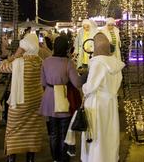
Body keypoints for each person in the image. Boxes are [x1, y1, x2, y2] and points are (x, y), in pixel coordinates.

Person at [0, 33, 45, 161]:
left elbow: (1, 67)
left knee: (13, 130)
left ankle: (12, 158)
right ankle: (30, 159)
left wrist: (14, 56)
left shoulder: (18, 62)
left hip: (20, 103)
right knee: (32, 131)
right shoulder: (40, 61)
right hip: (36, 101)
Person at [80, 33, 125, 162]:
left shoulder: (98, 63)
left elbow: (90, 86)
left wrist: (84, 87)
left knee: (97, 134)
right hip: (110, 102)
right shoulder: (115, 63)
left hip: (98, 103)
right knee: (109, 133)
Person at [40, 35, 81, 162]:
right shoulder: (68, 63)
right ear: (66, 48)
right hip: (64, 98)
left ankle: (55, 159)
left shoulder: (46, 61)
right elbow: (77, 83)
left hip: (49, 97)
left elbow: (43, 82)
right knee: (64, 133)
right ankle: (63, 159)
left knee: (53, 133)